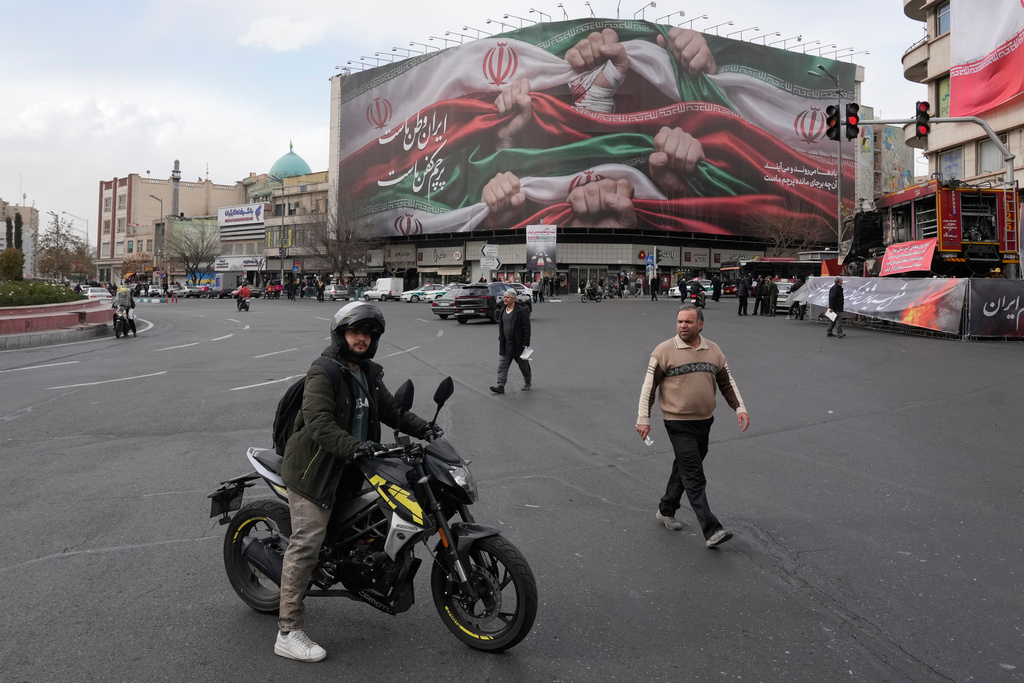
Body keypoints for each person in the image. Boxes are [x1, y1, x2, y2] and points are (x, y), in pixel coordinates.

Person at [277, 302, 433, 662]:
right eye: (355, 332)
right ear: (340, 334)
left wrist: (425, 427)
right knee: (307, 543)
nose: (361, 338)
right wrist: (357, 446)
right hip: (314, 471)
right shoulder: (323, 372)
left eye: (368, 334)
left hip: (352, 466)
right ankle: (288, 631)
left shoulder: (366, 373)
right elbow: (319, 424)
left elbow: (392, 411)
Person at [636, 303, 749, 548]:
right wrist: (643, 418)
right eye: (679, 322)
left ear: (700, 324)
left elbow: (726, 382)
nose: (682, 326)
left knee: (685, 468)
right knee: (694, 475)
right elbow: (648, 388)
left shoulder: (713, 350)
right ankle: (712, 530)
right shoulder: (664, 351)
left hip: (704, 422)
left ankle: (666, 509)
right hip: (677, 423)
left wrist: (739, 408)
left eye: (688, 322)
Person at [490, 289, 532, 394]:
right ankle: (501, 385)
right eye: (504, 297)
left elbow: (526, 328)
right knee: (502, 365)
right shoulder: (503, 310)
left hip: (519, 345)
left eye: (507, 297)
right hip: (506, 344)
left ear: (514, 299)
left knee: (523, 365)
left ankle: (528, 381)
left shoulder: (521, 311)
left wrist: (525, 344)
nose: (505, 299)